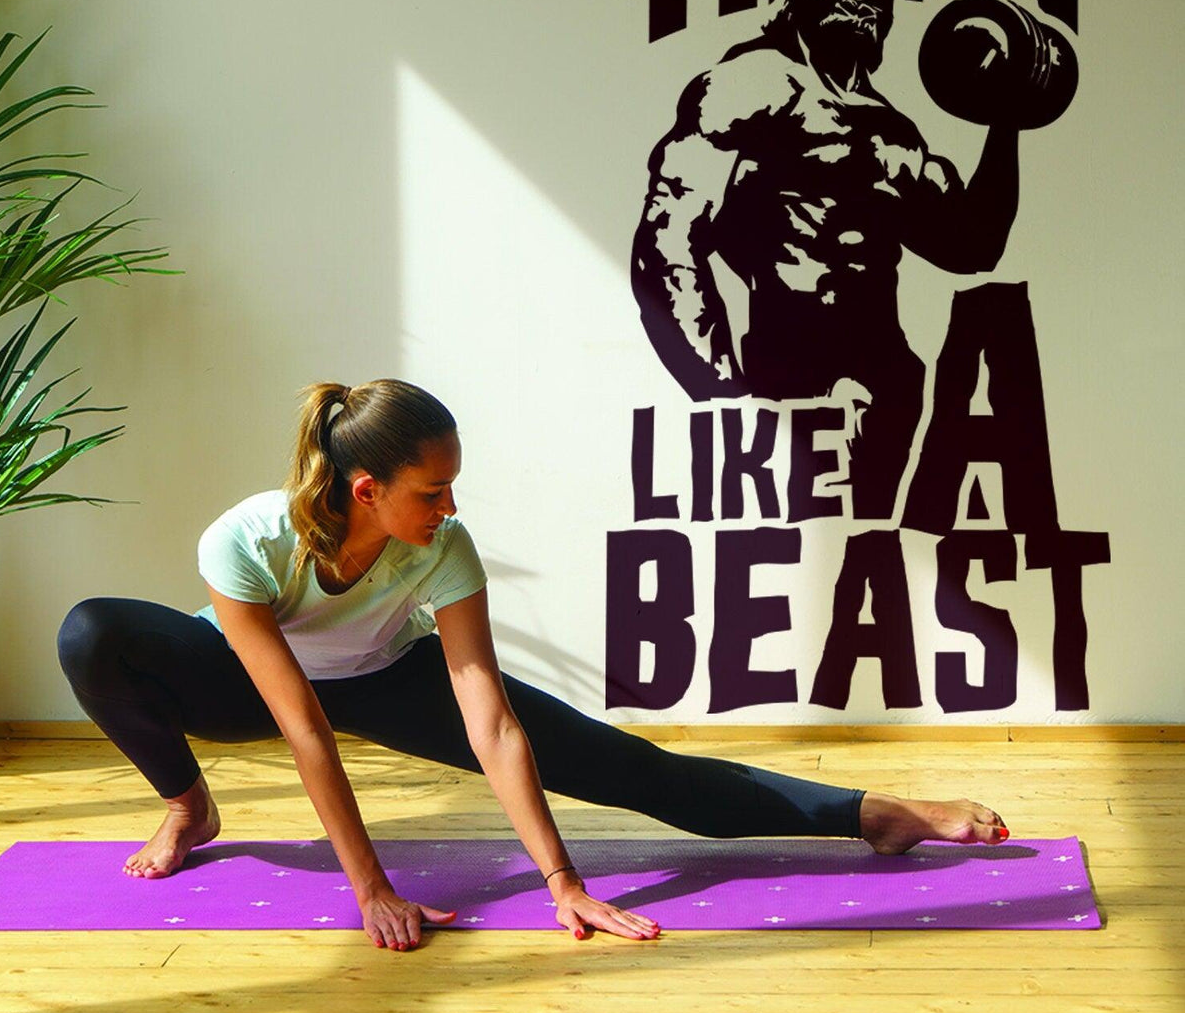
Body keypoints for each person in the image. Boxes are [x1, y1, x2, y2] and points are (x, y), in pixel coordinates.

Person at [57, 379, 1010, 953]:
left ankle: (870, 813)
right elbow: (303, 726)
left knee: (636, 769)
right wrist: (372, 892)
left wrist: (561, 880)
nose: (450, 505)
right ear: (365, 489)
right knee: (93, 632)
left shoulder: (442, 547)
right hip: (245, 682)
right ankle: (188, 803)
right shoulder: (248, 540)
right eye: (432, 490)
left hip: (389, 676)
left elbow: (492, 718)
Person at [631, 0, 1023, 520]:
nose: (865, 8)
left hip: (888, 381)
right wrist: (722, 394)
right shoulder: (750, 85)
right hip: (791, 371)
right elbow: (667, 243)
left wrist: (1006, 119)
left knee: (874, 557)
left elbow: (971, 245)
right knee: (792, 559)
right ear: (802, 2)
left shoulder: (891, 130)